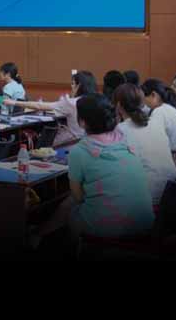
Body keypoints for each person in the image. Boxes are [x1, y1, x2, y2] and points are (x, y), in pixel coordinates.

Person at [35, 95, 153, 244]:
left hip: (106, 231)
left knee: (70, 211)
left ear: (82, 122)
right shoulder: (125, 139)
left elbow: (78, 197)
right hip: (145, 225)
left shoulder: (79, 151)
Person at [114, 84, 176, 204]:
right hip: (173, 192)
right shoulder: (156, 123)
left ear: (118, 105)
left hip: (148, 197)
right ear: (142, 103)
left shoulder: (120, 130)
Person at [5, 70, 98, 146]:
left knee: (41, 141)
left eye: (73, 84)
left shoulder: (71, 103)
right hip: (90, 142)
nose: (71, 86)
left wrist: (14, 102)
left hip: (70, 142)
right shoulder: (97, 101)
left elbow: (39, 106)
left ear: (79, 86)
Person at [141, 78, 176, 168]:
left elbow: (152, 140)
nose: (144, 103)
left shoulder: (159, 111)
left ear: (153, 95)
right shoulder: (170, 108)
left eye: (144, 97)